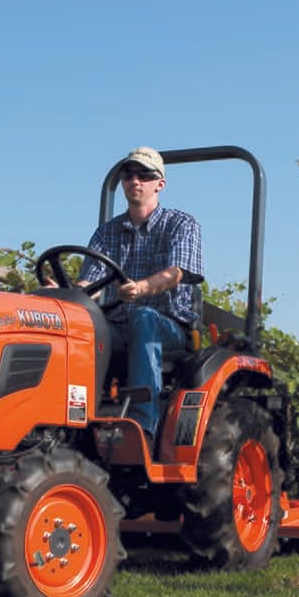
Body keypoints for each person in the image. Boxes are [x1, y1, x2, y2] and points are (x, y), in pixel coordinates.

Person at [78, 146, 204, 445]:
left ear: (160, 183)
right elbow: (90, 283)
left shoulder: (181, 224)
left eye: (144, 175)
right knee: (80, 327)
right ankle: (74, 420)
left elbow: (176, 273)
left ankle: (142, 428)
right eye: (129, 175)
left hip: (169, 327)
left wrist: (141, 288)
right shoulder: (107, 233)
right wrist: (66, 294)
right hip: (118, 326)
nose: (135, 181)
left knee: (143, 316)